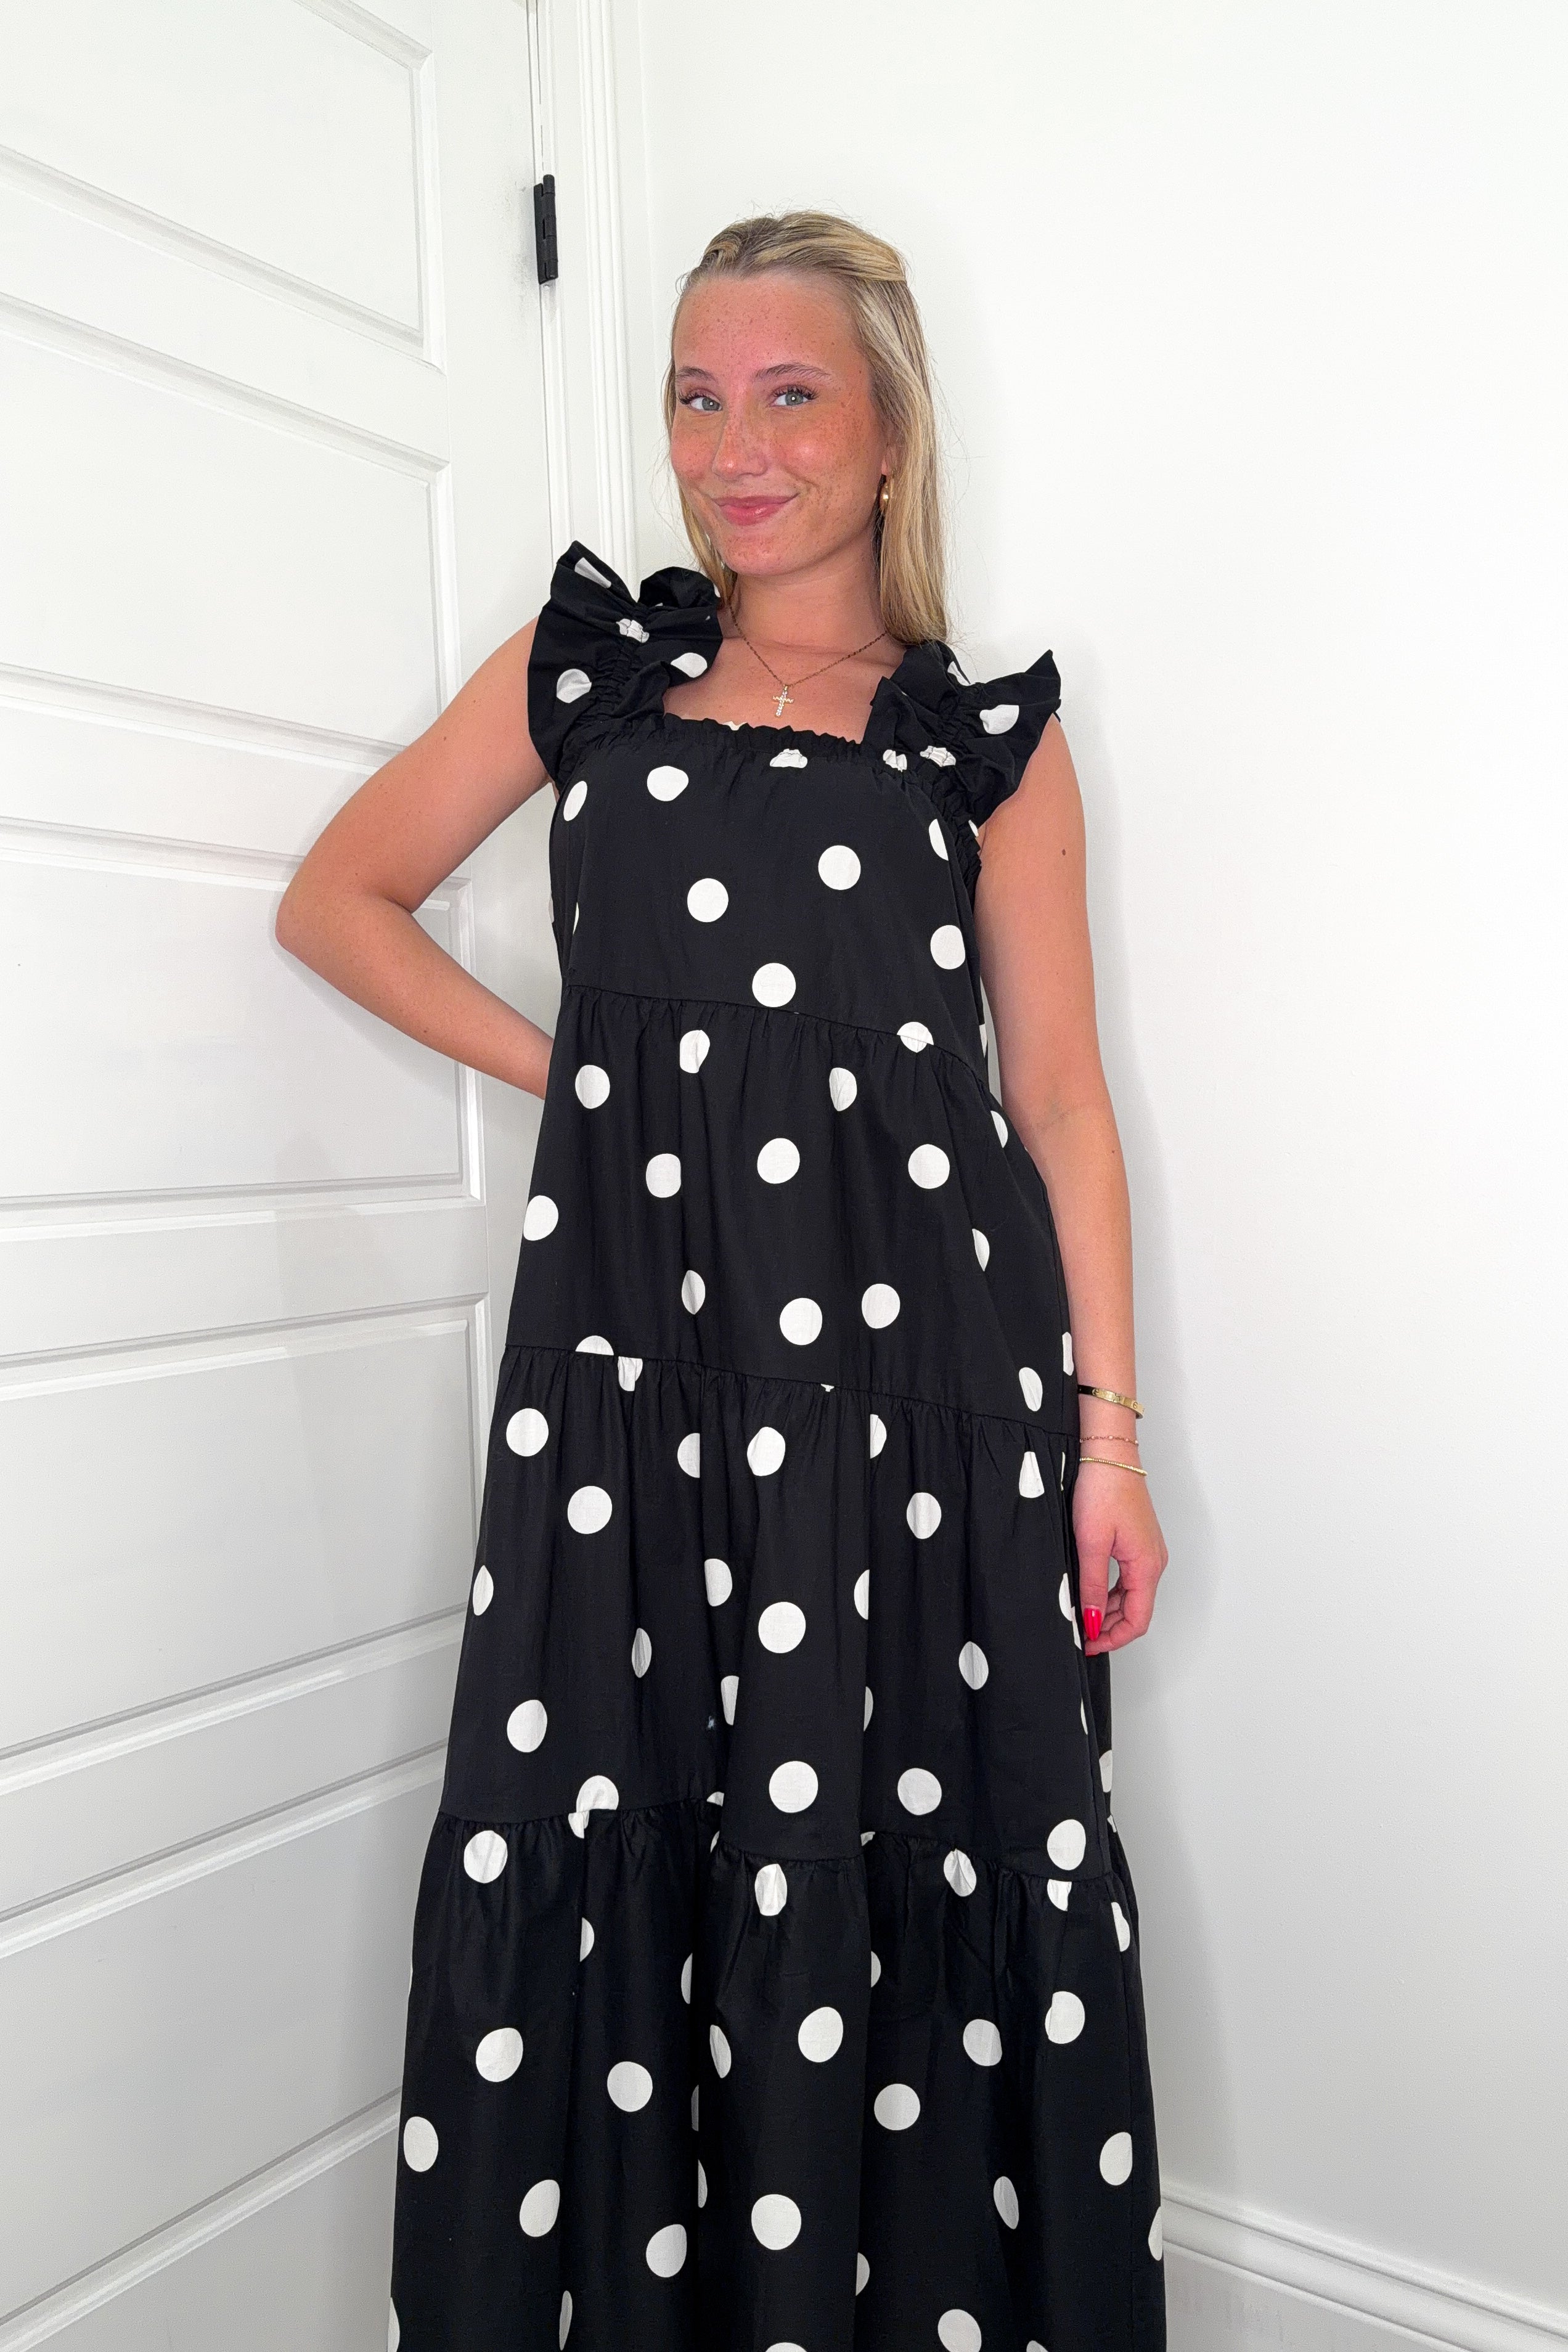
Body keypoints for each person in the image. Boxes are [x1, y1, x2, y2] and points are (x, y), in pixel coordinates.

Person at [277, 206, 1169, 2352]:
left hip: (924, 1401)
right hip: (639, 1389)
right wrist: (590, 1078)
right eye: (697, 396)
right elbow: (341, 901)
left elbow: (1059, 1101)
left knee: (907, 1837)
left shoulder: (979, 739)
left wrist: (1109, 1440)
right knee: (626, 1814)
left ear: (889, 435)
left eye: (789, 396)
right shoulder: (593, 672)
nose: (734, 448)